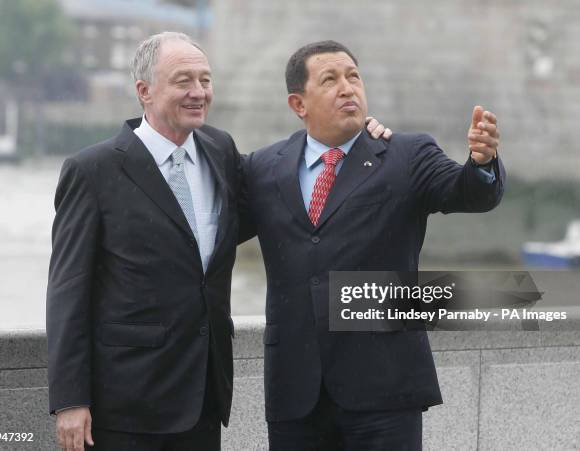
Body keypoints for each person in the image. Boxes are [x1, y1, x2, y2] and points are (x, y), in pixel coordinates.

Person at [46, 32, 390, 451]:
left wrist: (358, 138)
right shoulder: (92, 171)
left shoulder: (221, 151)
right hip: (123, 404)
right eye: (183, 81)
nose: (198, 93)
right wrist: (70, 400)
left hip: (204, 398)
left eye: (205, 80)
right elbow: (67, 292)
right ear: (144, 91)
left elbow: (285, 185)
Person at [239, 40, 504, 450]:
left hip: (385, 389)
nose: (347, 88)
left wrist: (482, 164)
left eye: (353, 76)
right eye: (330, 80)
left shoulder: (406, 154)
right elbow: (214, 231)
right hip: (295, 392)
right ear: (298, 103)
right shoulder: (263, 167)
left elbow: (466, 192)